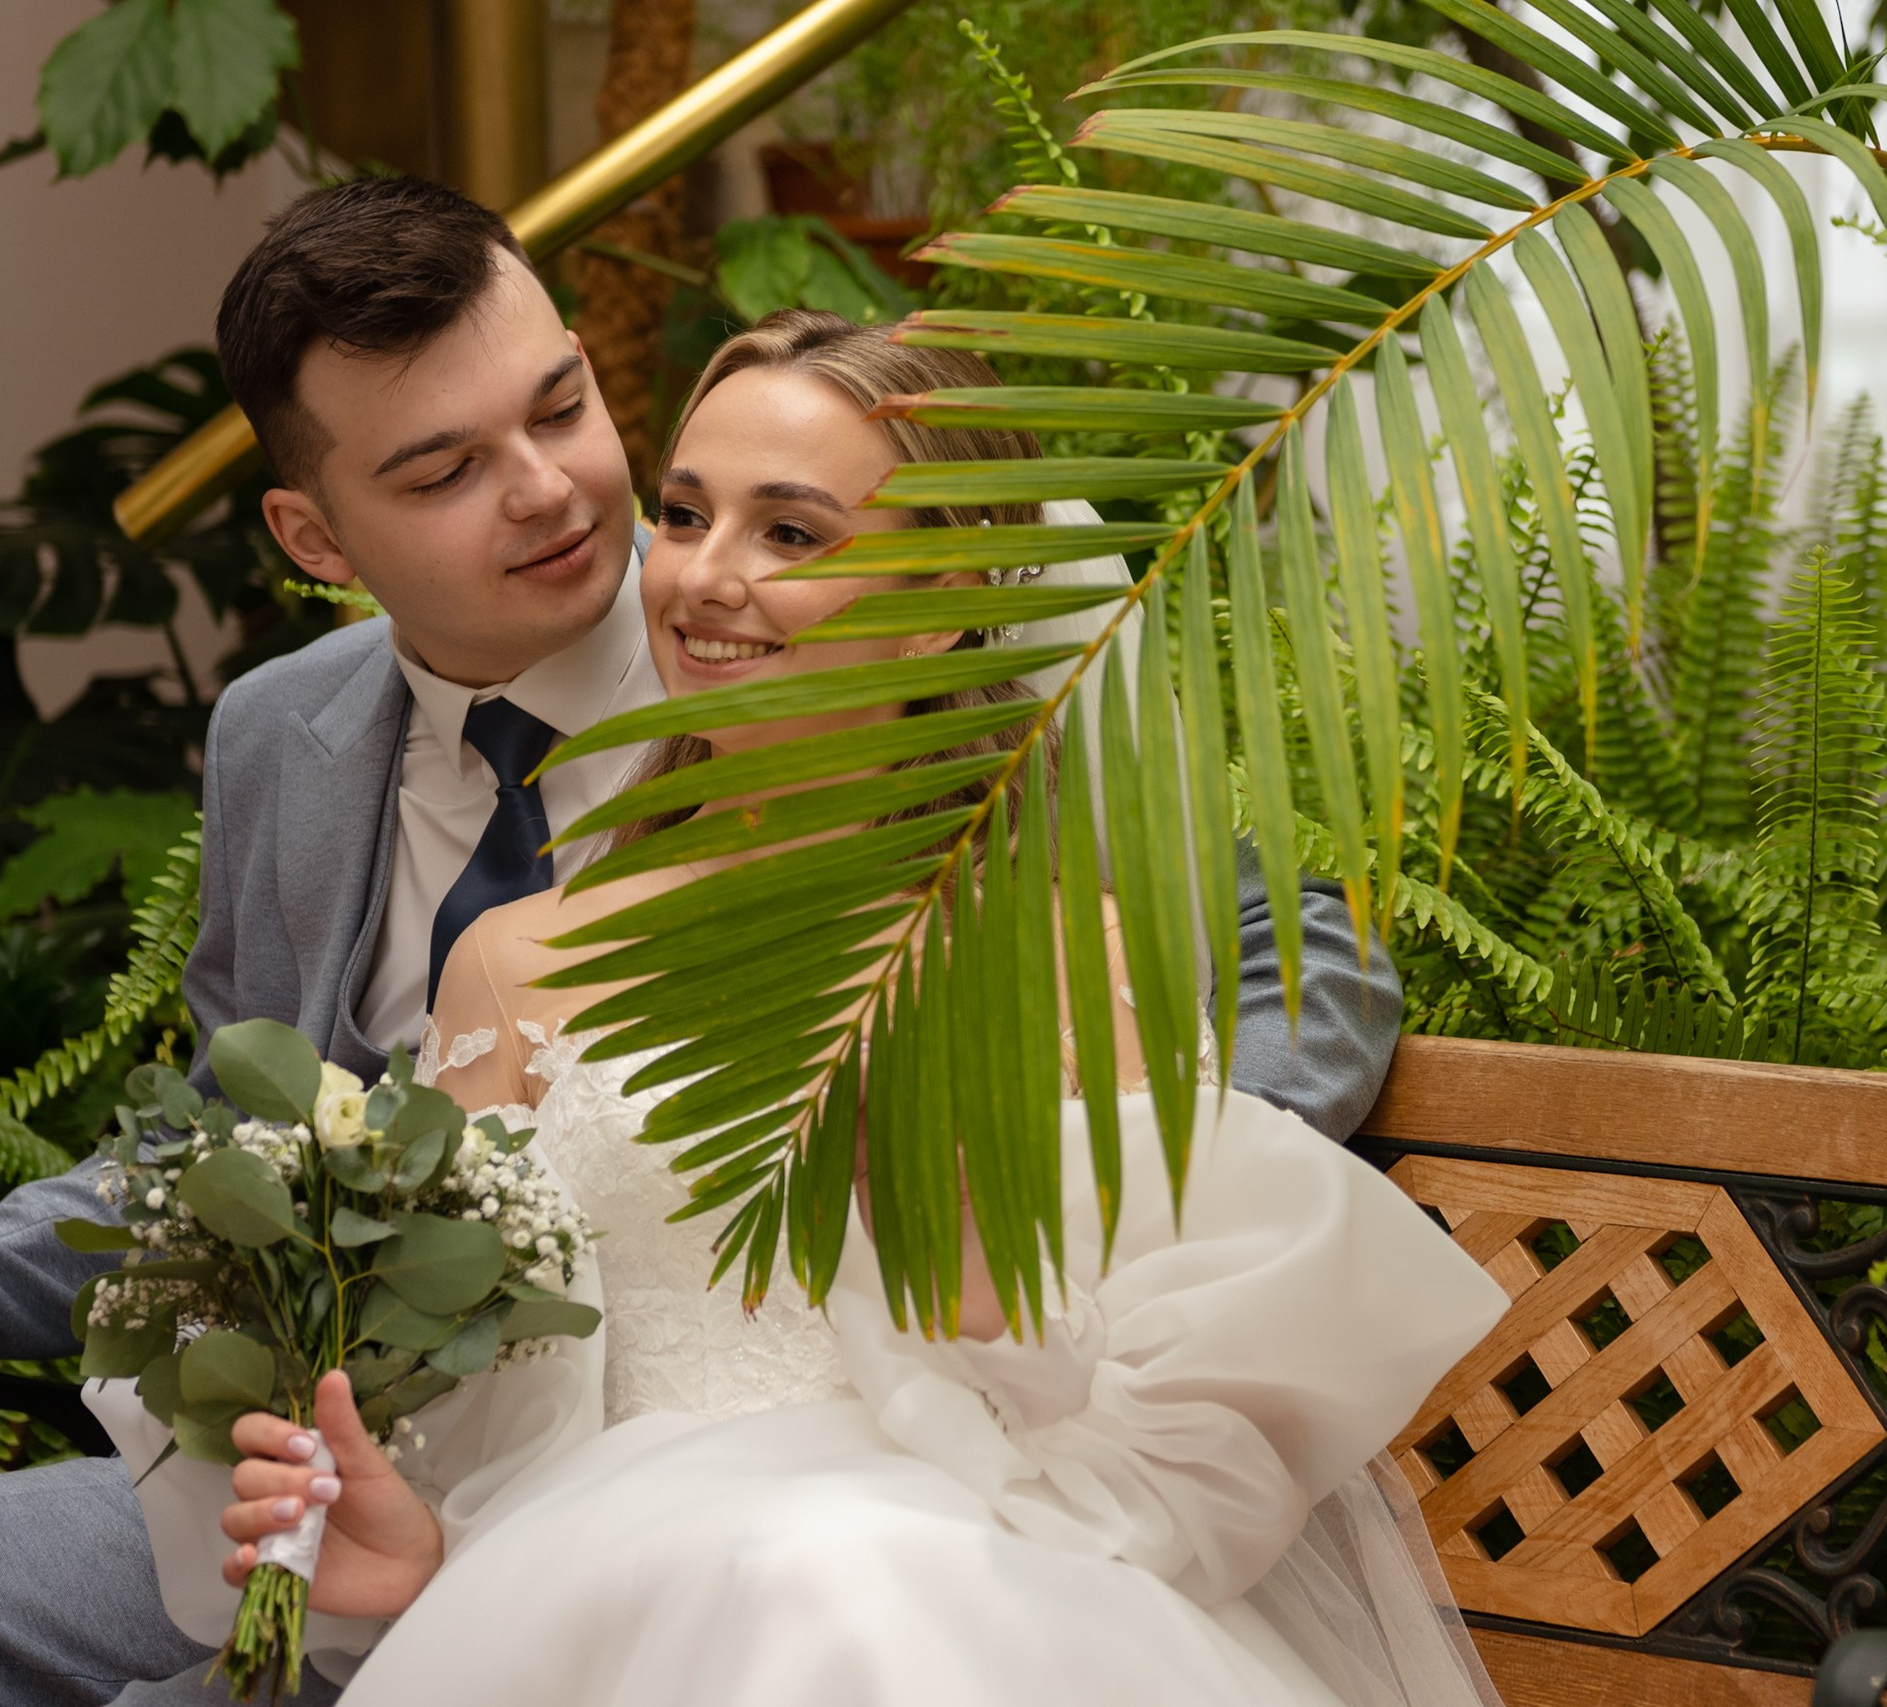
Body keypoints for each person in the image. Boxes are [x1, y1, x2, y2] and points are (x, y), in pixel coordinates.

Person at [0, 182, 1404, 1707]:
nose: (563, 500)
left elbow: (1276, 992)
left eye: (560, 409)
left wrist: (1048, 1183)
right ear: (317, 542)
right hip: (420, 1515)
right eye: (444, 469)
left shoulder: (1003, 829)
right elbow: (239, 1165)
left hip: (860, 1547)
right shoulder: (301, 751)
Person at [185, 313, 1510, 1707]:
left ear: (946, 598)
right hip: (594, 1604)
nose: (703, 576)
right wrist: (424, 1548)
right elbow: (483, 1406)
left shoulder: (1064, 958)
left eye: (794, 535)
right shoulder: (517, 968)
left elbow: (1154, 1457)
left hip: (955, 1592)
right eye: (687, 514)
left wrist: (961, 1245)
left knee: (830, 1587)